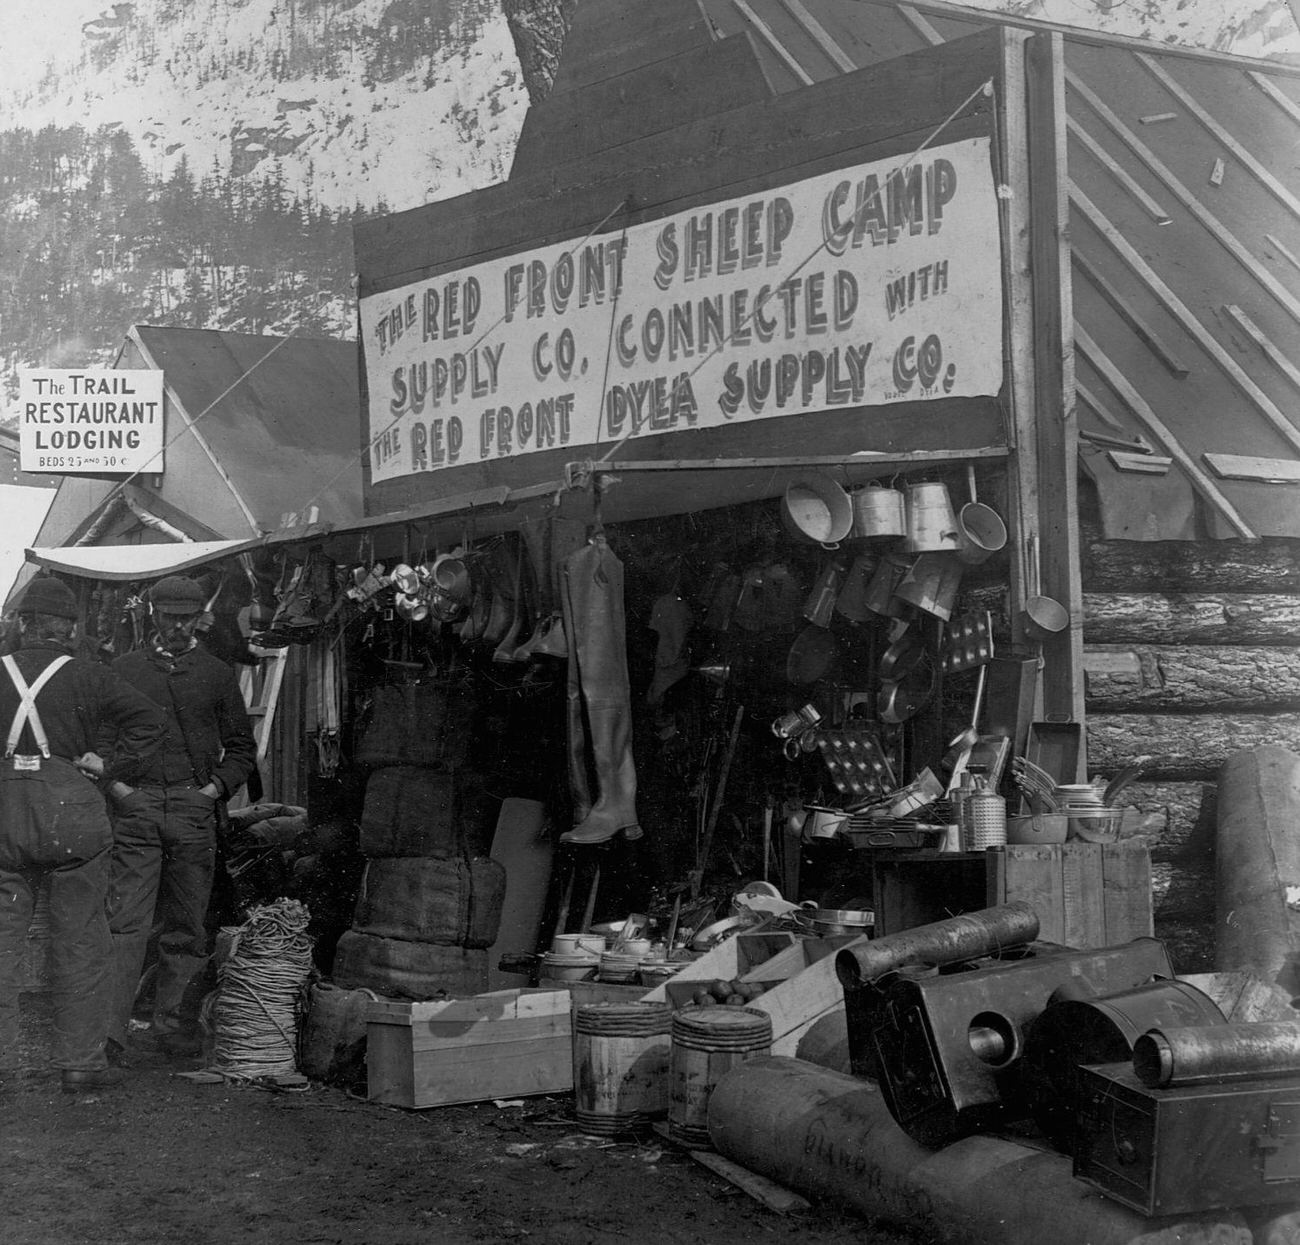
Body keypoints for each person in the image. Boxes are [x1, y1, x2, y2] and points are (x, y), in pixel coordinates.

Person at [0, 575, 167, 1092]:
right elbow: (151, 722)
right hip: (71, 813)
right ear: (70, 629)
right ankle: (79, 1064)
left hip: (4, 815)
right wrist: (110, 762)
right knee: (80, 941)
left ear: (21, 624)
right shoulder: (91, 676)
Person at [103, 575, 257, 1059]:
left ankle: (173, 1025)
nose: (176, 626)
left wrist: (214, 788)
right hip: (137, 808)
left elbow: (241, 748)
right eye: (168, 616)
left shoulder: (216, 673)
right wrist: (120, 790)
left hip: (193, 811)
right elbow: (101, 741)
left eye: (185, 618)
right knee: (126, 923)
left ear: (199, 618)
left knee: (188, 926)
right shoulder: (124, 669)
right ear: (153, 615)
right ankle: (109, 1033)